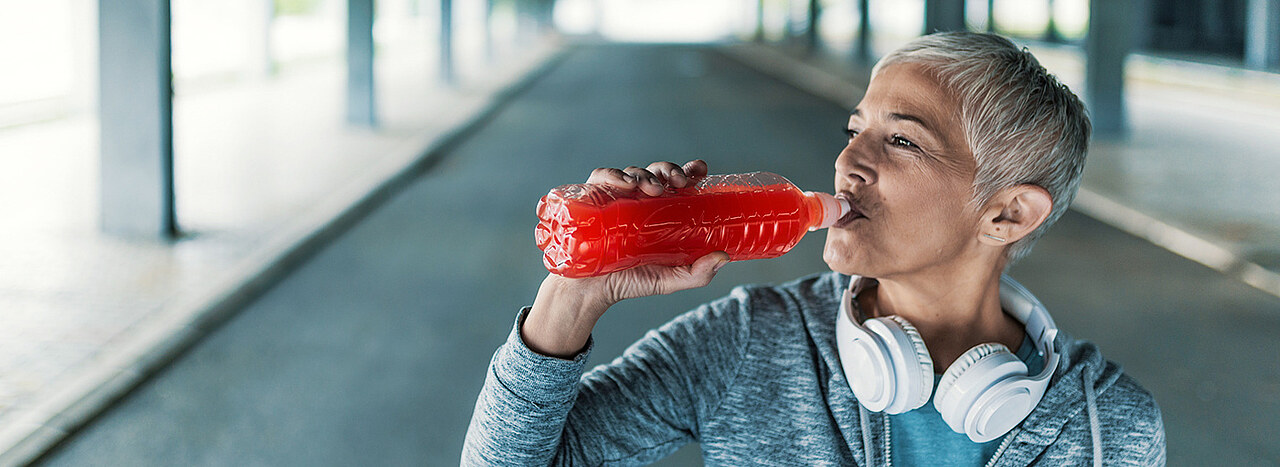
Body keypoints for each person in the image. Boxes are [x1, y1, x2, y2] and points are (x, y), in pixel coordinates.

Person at [463, 32, 1165, 466]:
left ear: (1007, 213)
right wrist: (574, 291)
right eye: (853, 128)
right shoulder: (747, 340)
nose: (847, 162)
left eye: (901, 140)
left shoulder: (1109, 429)